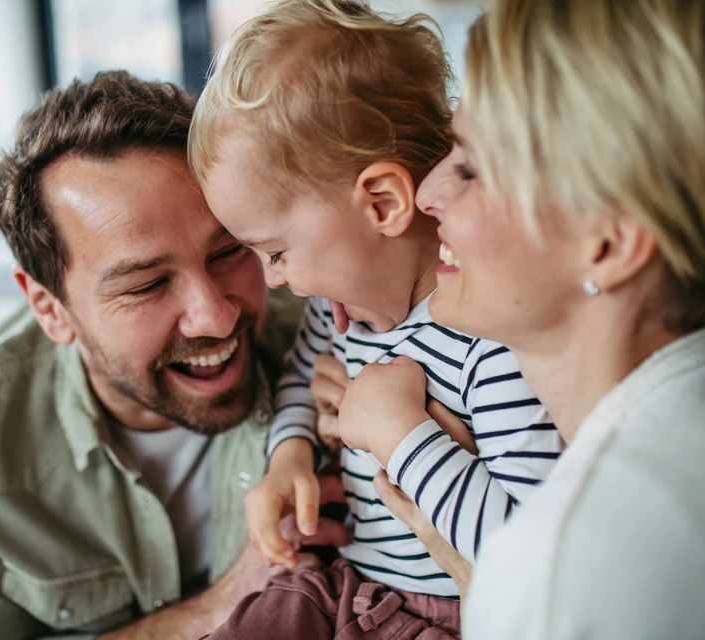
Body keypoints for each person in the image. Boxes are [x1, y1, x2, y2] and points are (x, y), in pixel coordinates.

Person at [0, 71, 353, 640]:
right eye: (146, 285)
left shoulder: (333, 327)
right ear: (50, 309)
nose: (216, 316)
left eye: (228, 252)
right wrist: (219, 604)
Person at [335, 0, 705, 638]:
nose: (428, 193)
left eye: (470, 168)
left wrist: (482, 584)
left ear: (609, 242)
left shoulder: (555, 570)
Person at [187, 1, 561, 637]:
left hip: (450, 611)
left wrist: (400, 433)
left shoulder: (494, 336)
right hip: (348, 584)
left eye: (275, 252)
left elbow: (523, 553)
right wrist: (291, 456)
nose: (271, 280)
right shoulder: (335, 310)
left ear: (383, 204)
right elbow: (300, 383)